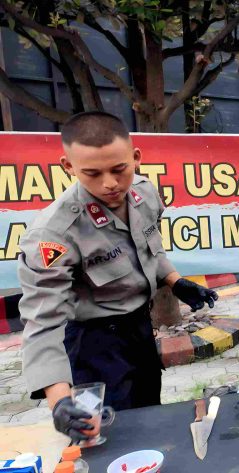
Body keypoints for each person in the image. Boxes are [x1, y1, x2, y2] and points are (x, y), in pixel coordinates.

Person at [18, 111, 218, 442]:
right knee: (107, 437)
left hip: (140, 331)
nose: (109, 183)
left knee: (149, 417)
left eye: (119, 169)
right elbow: (42, 322)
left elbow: (148, 248)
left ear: (135, 158)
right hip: (94, 347)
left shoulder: (144, 193)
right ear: (68, 166)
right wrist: (59, 401)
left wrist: (175, 281)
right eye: (93, 174)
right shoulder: (55, 233)